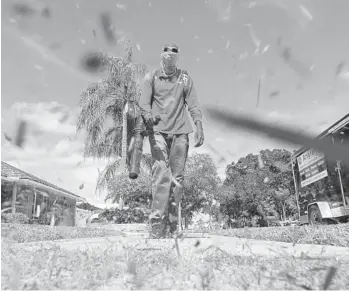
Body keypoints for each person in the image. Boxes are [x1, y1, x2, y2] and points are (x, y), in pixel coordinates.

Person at [139, 42, 204, 238]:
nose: (170, 55)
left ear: (178, 57)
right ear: (161, 55)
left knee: (177, 179)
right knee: (160, 172)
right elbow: (144, 101)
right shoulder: (151, 77)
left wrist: (198, 125)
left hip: (180, 133)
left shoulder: (185, 78)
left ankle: (174, 225)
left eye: (174, 52)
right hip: (157, 131)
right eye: (167, 52)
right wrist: (147, 114)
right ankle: (157, 224)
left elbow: (193, 103)